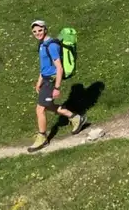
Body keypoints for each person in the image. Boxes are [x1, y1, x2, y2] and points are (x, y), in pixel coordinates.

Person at [28, 20, 87, 153]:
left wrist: (57, 88)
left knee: (40, 109)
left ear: (45, 29)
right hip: (45, 80)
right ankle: (76, 118)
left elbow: (59, 68)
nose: (37, 33)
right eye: (35, 31)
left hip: (51, 81)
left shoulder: (51, 46)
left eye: (40, 30)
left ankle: (42, 137)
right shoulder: (42, 44)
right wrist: (39, 81)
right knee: (48, 106)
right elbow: (44, 66)